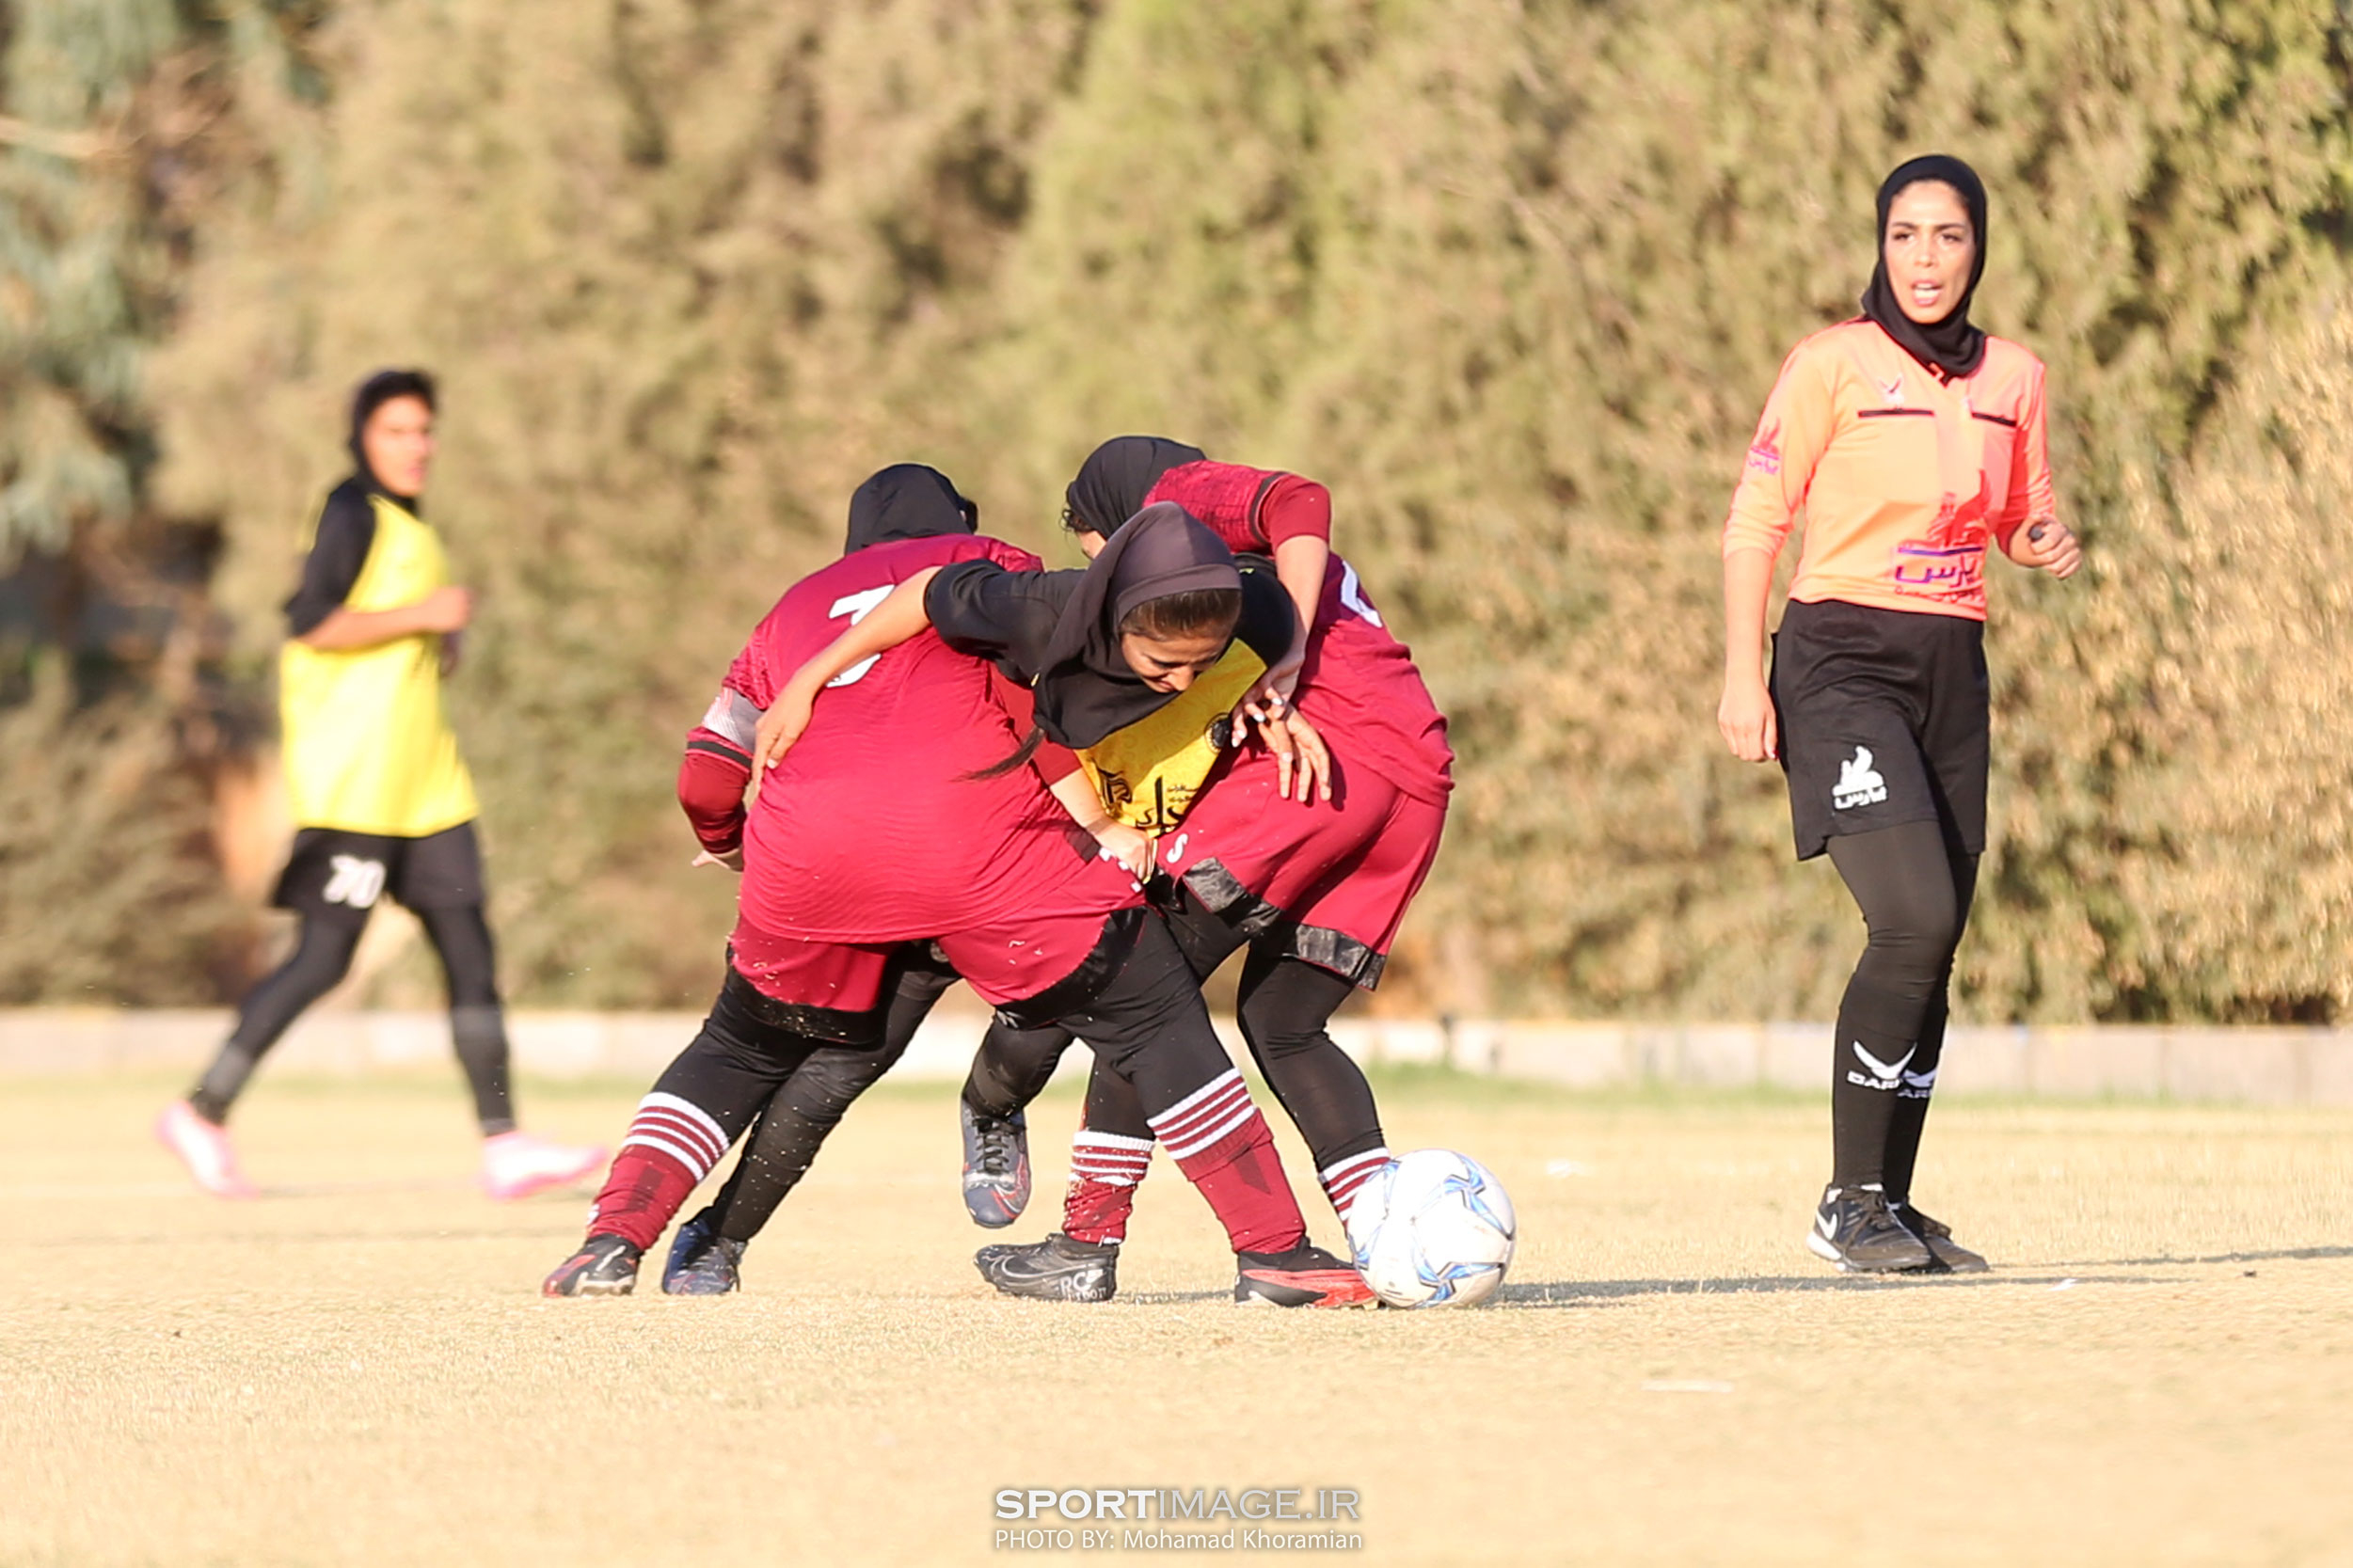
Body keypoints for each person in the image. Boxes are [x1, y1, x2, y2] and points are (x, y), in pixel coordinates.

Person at [545, 494, 1368, 1307]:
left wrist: (732, 846)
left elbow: (708, 772)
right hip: (980, 840)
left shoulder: (792, 606)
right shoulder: (1003, 569)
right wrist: (1103, 826)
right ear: (960, 530)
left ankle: (610, 1241)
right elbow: (1024, 717)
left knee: (739, 1047)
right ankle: (1275, 1253)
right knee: (1154, 1018)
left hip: (806, 851)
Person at [953, 438, 1454, 1303]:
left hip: (1329, 761)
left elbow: (1300, 497)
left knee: (1144, 988)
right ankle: (1388, 1243)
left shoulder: (1173, 503)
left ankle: (1086, 1239)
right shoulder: (1233, 579)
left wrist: (1288, 660)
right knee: (1283, 1022)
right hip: (1415, 778)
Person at [1716, 156, 2081, 1273]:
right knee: (1910, 916)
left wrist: (2039, 545)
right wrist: (1742, 673)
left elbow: (2017, 516)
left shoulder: (2015, 377)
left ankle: (1891, 1201)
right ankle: (1847, 1199)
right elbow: (1753, 524)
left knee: (1940, 941)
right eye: (1905, 235)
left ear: (1979, 251)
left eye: (1949, 238)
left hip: (1949, 667)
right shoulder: (1829, 363)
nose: (1924, 259)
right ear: (1879, 243)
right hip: (1836, 659)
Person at [154, 370, 603, 1201]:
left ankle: (503, 1143)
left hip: (430, 787)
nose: (416, 446)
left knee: (471, 955)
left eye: (425, 430)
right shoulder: (349, 510)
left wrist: (438, 642)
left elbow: (391, 633)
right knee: (322, 959)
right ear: (362, 435)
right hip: (358, 787)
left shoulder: (410, 525)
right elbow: (312, 621)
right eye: (398, 430)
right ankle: (201, 1111)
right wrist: (425, 616)